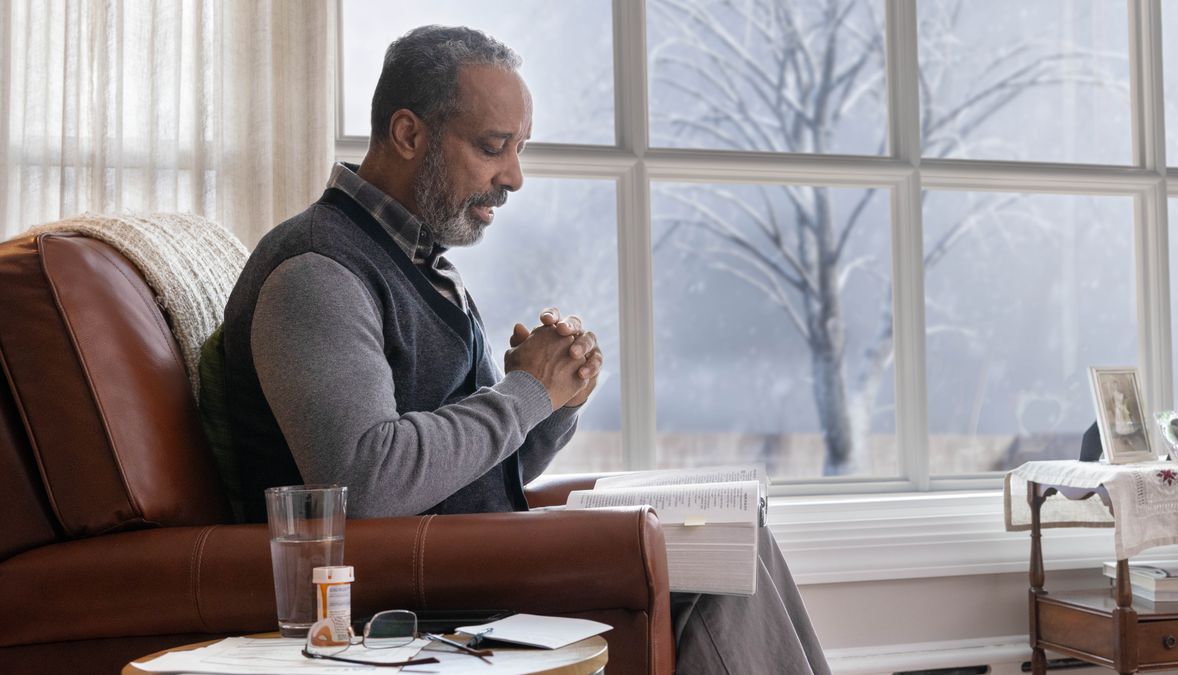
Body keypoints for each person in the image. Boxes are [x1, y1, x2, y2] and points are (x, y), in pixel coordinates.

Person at [218, 25, 829, 674]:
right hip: (397, 597)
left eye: (519, 148)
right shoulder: (318, 272)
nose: (513, 176)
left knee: (732, 536)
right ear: (407, 134)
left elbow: (483, 468)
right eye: (492, 147)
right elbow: (364, 480)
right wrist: (523, 393)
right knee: (715, 561)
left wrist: (553, 400)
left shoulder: (422, 266)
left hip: (465, 562)